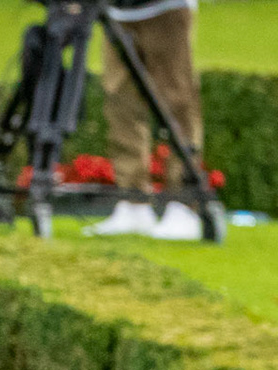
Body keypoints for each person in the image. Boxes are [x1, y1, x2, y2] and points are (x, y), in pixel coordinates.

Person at [85, 0, 205, 240]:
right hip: (118, 12)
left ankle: (183, 204)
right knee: (121, 102)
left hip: (166, 8)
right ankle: (133, 202)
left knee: (177, 101)